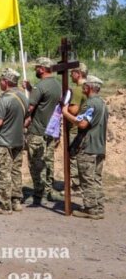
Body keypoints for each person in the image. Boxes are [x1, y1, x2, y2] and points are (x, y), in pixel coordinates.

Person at [63, 75, 107, 219]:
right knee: (96, 178)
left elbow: (82, 123)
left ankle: (90, 209)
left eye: (84, 87)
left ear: (88, 88)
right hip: (99, 146)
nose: (82, 88)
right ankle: (98, 206)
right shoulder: (102, 103)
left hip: (88, 147)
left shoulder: (90, 104)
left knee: (87, 179)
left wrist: (65, 113)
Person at [0, 68, 27, 215]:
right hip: (18, 140)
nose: (0, 82)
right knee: (15, 172)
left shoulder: (5, 99)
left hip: (4, 141)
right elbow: (27, 119)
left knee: (2, 173)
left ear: (6, 81)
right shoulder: (23, 97)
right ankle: (16, 201)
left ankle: (4, 205)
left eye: (1, 80)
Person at [24, 57, 62, 205]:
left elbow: (31, 108)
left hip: (37, 130)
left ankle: (39, 194)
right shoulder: (57, 85)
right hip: (51, 130)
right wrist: (30, 89)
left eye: (37, 68)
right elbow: (46, 102)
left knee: (36, 164)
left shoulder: (40, 87)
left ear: (42, 69)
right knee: (48, 161)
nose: (35, 70)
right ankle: (48, 190)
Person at [65, 63, 88, 191]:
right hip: (84, 128)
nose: (70, 74)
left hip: (75, 127)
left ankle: (75, 185)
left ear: (78, 73)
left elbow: (73, 110)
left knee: (73, 156)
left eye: (72, 72)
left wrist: (63, 105)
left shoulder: (78, 90)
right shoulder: (89, 87)